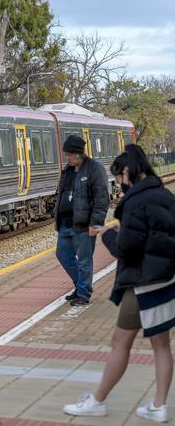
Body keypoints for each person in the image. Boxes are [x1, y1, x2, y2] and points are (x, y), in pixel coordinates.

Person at [63, 144, 175, 423]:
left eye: (119, 177)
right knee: (161, 346)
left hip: (142, 283)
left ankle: (97, 401)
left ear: (128, 172)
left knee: (119, 343)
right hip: (166, 280)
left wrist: (108, 235)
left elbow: (128, 248)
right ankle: (159, 406)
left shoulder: (136, 202)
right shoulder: (164, 196)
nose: (119, 183)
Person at [55, 134, 109, 306]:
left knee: (84, 259)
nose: (67, 158)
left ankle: (83, 294)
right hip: (65, 223)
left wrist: (96, 223)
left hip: (84, 225)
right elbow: (62, 194)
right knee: (62, 254)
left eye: (69, 155)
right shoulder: (68, 171)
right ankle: (81, 286)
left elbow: (101, 199)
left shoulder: (94, 169)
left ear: (78, 154)